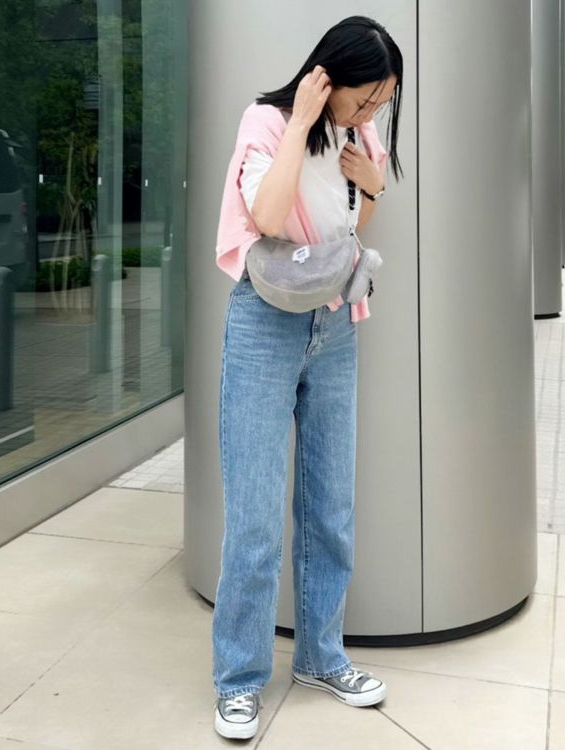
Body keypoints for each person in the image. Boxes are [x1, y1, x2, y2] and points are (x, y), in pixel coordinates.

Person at [212, 16, 403, 740]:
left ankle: (322, 657)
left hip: (335, 324)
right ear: (328, 78)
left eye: (381, 102)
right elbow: (266, 216)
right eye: (364, 97)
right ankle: (238, 679)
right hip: (264, 323)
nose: (370, 113)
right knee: (255, 516)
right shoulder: (266, 123)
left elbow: (347, 231)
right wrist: (302, 123)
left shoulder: (361, 137)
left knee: (330, 507)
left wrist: (373, 185)